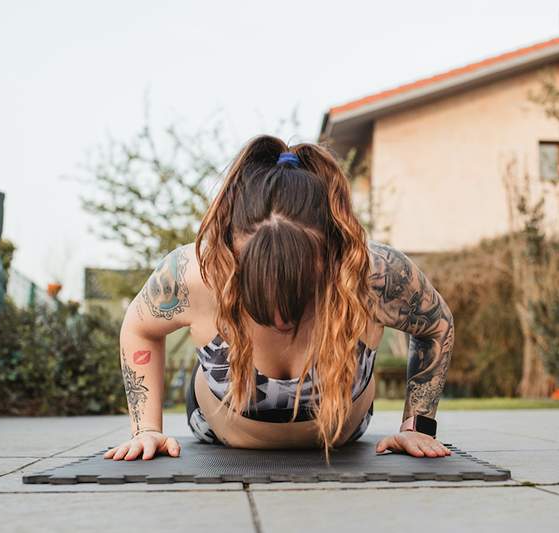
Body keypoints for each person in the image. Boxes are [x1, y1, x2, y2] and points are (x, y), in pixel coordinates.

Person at [103, 134, 454, 463]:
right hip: (219, 427)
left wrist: (417, 426)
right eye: (257, 281)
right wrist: (146, 429)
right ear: (232, 253)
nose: (279, 316)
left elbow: (436, 325)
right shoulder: (196, 273)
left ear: (332, 254)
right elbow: (139, 328)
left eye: (299, 284)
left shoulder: (371, 273)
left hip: (342, 431)